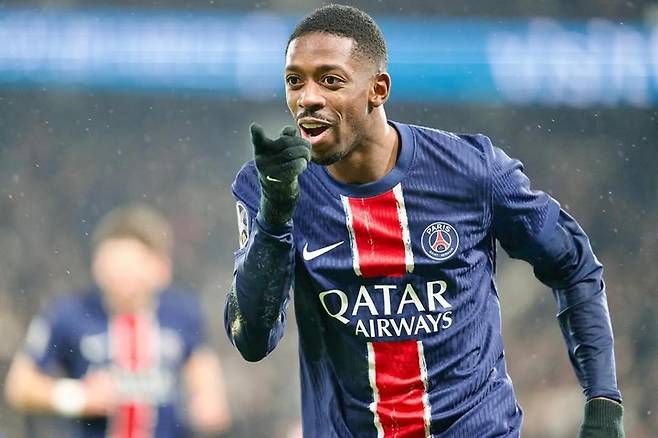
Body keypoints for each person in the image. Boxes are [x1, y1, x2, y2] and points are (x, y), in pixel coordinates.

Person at [225, 4, 623, 437]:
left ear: (378, 89)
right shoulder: (272, 186)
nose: (308, 98)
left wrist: (603, 402)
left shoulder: (471, 171)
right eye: (294, 81)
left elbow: (573, 264)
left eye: (330, 80)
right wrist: (274, 216)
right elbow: (252, 340)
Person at [5, 204, 231, 437]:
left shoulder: (182, 313)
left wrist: (208, 403)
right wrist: (76, 396)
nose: (123, 274)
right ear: (97, 264)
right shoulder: (69, 313)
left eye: (133, 264)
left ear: (161, 268)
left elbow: (205, 378)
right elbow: (19, 386)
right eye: (115, 263)